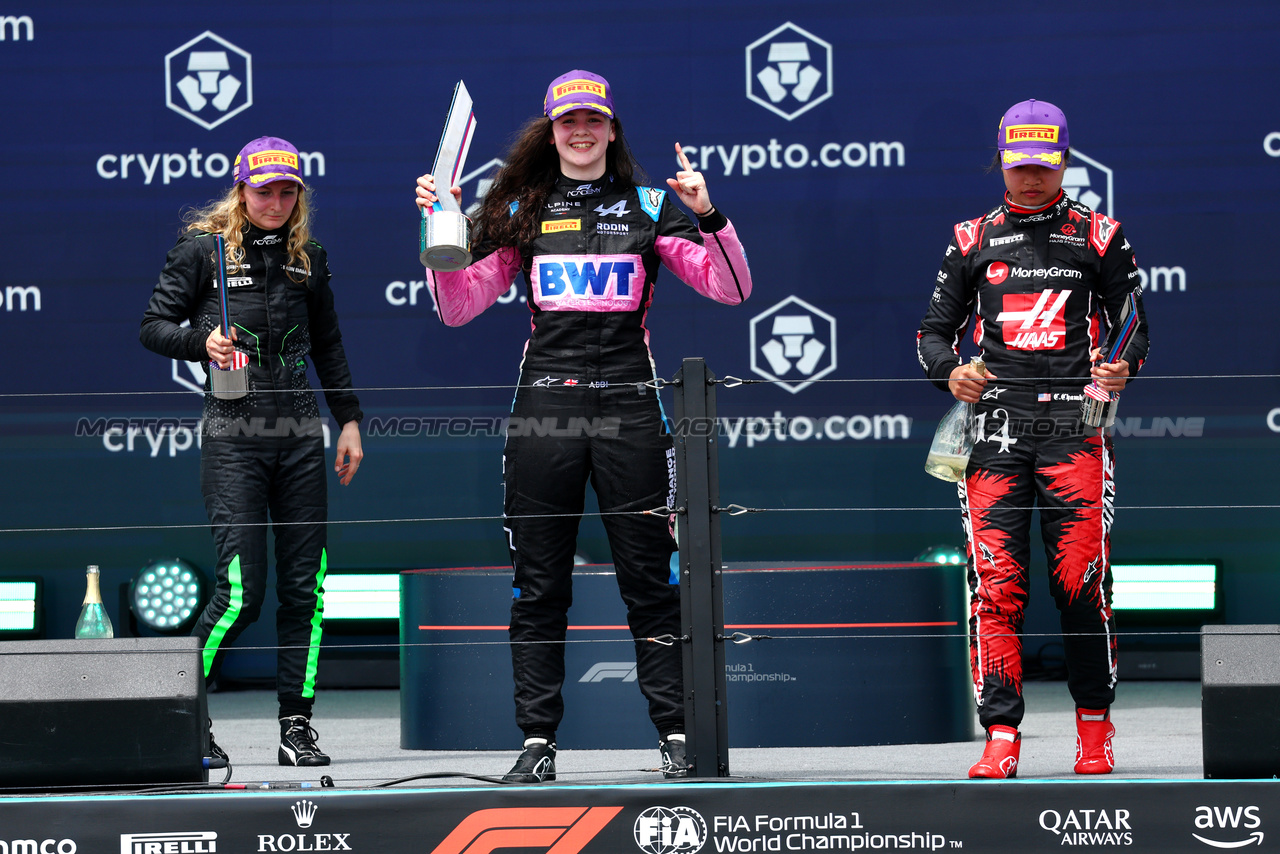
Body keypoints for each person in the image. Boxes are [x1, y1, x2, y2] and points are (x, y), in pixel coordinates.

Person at [415, 70, 752, 782]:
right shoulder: (519, 207)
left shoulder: (653, 204)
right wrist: (438, 229)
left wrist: (711, 214)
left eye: (592, 120)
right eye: (568, 121)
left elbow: (731, 288)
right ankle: (538, 743)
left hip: (632, 407)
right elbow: (458, 307)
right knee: (538, 584)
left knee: (651, 579)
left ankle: (677, 736)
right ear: (551, 129)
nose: (580, 131)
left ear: (611, 128)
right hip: (546, 409)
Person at [916, 100, 1149, 779]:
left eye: (1042, 166)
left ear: (1064, 161)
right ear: (1001, 162)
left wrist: (1122, 365)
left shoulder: (1101, 235)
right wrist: (949, 369)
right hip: (993, 431)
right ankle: (1001, 737)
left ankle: (1094, 730)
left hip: (1076, 429)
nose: (1030, 179)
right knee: (996, 588)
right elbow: (933, 330)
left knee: (1079, 581)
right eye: (1018, 166)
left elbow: (1133, 318)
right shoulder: (970, 238)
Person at [140, 136, 364, 767]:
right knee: (242, 593)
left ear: (300, 195)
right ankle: (180, 719)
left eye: (287, 190)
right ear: (240, 190)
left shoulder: (308, 256)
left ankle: (296, 728)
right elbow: (152, 326)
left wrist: (348, 421)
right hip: (233, 433)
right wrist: (200, 342)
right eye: (263, 189)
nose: (275, 201)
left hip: (299, 432)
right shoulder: (201, 250)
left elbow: (328, 343)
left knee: (307, 590)